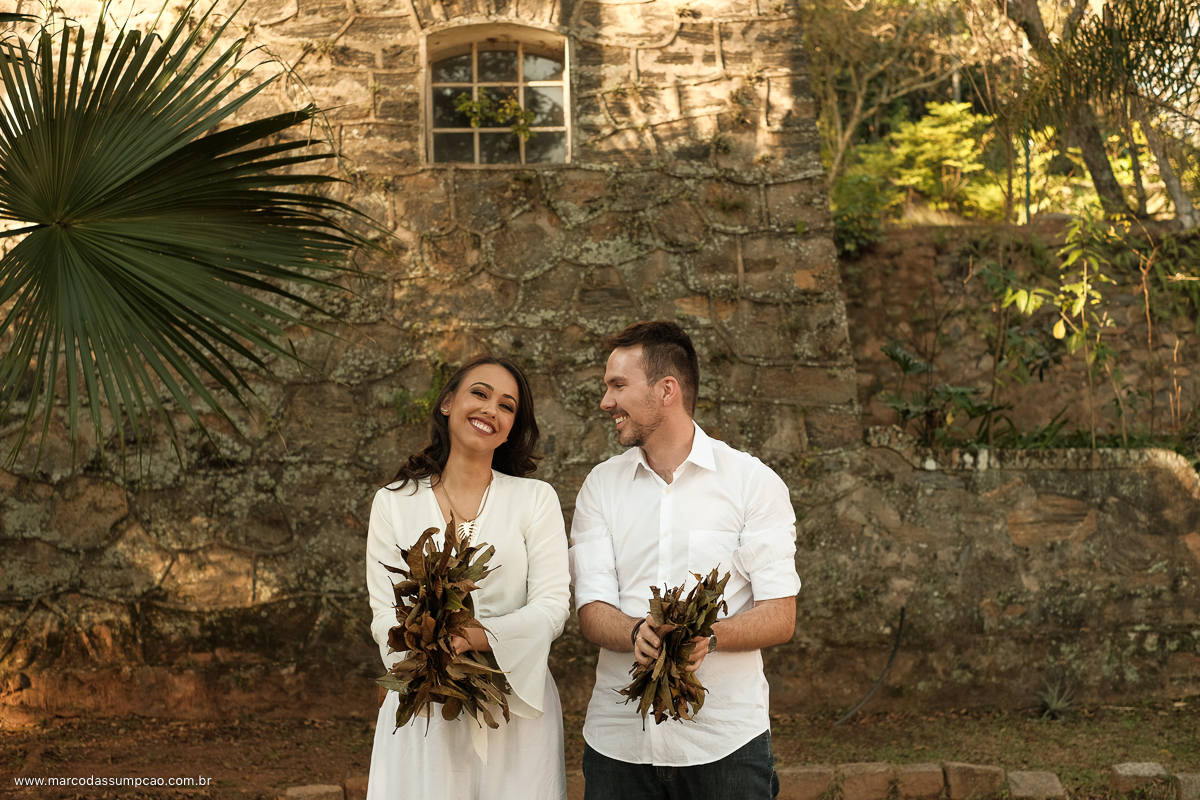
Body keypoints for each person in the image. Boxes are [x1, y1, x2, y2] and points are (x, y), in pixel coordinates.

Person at [569, 321, 801, 800]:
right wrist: (635, 632)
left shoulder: (752, 482)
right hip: (619, 747)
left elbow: (780, 615)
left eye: (617, 385)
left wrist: (710, 637)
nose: (605, 401)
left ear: (666, 390)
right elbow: (591, 612)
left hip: (726, 746)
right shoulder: (600, 486)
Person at [365, 354, 570, 800]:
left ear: (512, 426)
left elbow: (553, 607)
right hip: (424, 707)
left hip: (514, 710)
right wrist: (422, 650)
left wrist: (481, 636)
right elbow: (383, 610)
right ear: (447, 403)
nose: (490, 409)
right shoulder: (393, 502)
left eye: (507, 406)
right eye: (480, 393)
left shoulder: (535, 500)